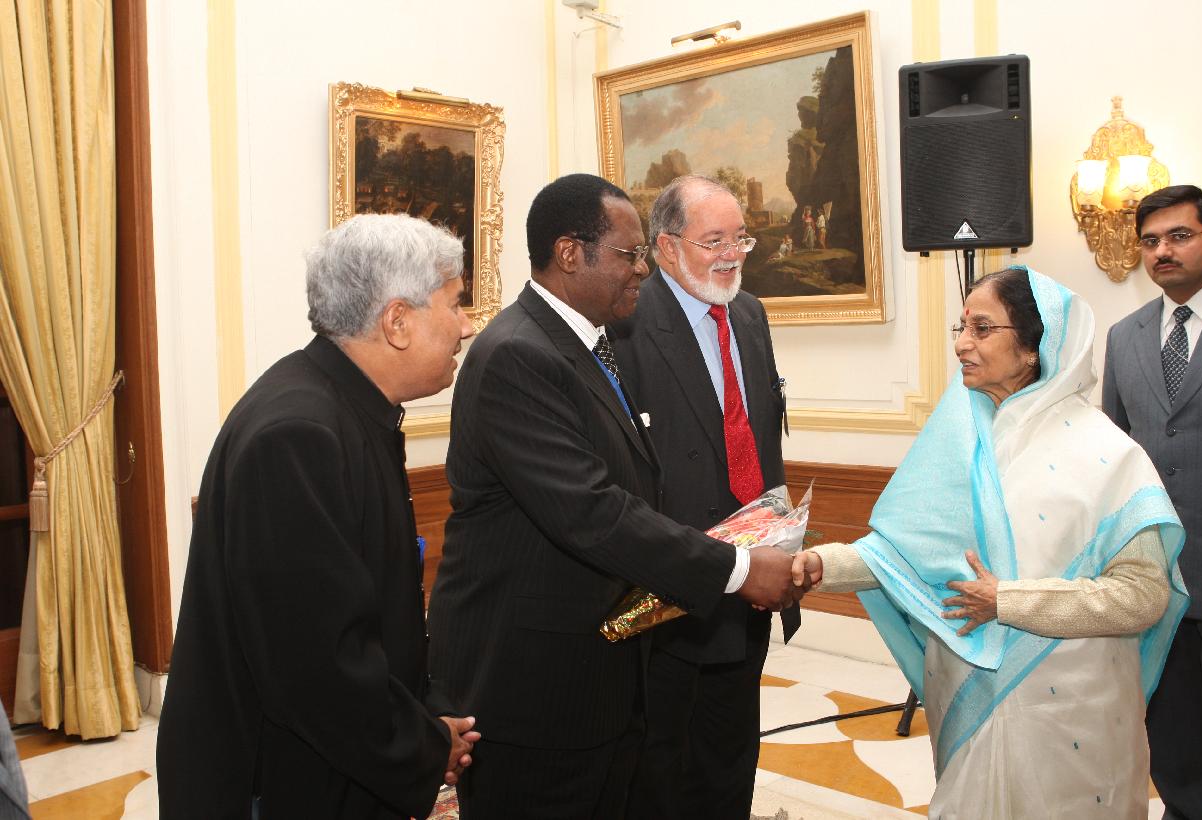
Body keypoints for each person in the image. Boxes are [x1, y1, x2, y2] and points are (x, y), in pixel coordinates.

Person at [426, 173, 809, 819]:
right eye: (629, 254)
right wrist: (739, 569)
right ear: (570, 254)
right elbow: (594, 511)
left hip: (601, 661)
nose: (640, 269)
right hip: (541, 677)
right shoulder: (520, 354)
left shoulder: (584, 342)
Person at [797, 267, 1188, 818]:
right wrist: (819, 565)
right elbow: (903, 558)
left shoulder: (1109, 455)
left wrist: (1007, 601)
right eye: (960, 327)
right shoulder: (958, 442)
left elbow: (1141, 596)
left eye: (982, 328)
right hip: (968, 697)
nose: (961, 344)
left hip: (1073, 715)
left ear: (1033, 346)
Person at [157, 215, 479, 820]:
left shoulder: (340, 405)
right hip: (282, 783)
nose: (466, 326)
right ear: (397, 321)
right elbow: (316, 665)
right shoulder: (297, 435)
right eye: (455, 304)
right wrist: (421, 746)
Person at [608, 174, 793, 819]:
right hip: (671, 589)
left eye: (740, 238)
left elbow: (760, 437)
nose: (732, 254)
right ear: (666, 247)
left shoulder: (750, 314)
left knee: (730, 756)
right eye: (713, 240)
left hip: (752, 583)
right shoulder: (627, 322)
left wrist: (779, 544)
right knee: (662, 767)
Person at [1102, 184, 1202, 820]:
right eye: (1150, 241)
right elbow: (1114, 451)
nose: (1162, 251)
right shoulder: (1123, 336)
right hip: (1154, 573)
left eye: (1179, 236)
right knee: (1173, 736)